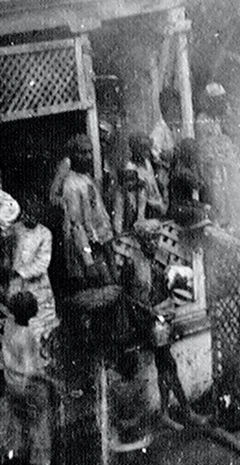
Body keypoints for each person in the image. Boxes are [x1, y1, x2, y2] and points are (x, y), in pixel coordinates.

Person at [121, 220, 210, 431]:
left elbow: (163, 289)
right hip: (144, 321)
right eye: (150, 239)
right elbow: (127, 297)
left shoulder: (156, 260)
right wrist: (148, 312)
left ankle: (169, 412)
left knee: (167, 365)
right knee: (168, 364)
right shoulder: (133, 263)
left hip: (159, 319)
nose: (154, 243)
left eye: (156, 238)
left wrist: (166, 306)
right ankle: (181, 411)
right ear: (141, 240)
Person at [2, 292, 56, 465]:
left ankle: (18, 462)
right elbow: (31, 371)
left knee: (19, 426)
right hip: (28, 388)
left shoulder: (9, 325)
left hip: (11, 385)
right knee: (40, 427)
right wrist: (49, 380)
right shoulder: (26, 336)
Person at [60, 134, 116, 293]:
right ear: (72, 155)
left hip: (101, 245)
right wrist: (89, 262)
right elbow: (76, 227)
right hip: (90, 251)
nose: (88, 157)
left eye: (89, 152)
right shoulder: (71, 186)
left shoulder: (86, 178)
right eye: (83, 153)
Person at [8, 200, 59, 344]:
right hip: (17, 285)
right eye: (29, 214)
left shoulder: (45, 234)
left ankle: (40, 352)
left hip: (38, 285)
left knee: (40, 323)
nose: (31, 217)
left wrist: (21, 272)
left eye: (35, 215)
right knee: (18, 322)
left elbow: (43, 262)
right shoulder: (14, 230)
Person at [196, 82, 236, 226]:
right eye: (219, 101)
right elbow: (205, 150)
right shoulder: (202, 120)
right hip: (211, 169)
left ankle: (227, 222)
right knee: (216, 198)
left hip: (221, 167)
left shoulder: (217, 119)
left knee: (227, 197)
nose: (223, 104)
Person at [119, 132, 167, 232]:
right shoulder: (131, 168)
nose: (146, 152)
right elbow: (133, 199)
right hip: (146, 209)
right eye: (143, 149)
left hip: (157, 202)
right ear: (135, 149)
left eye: (147, 149)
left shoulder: (146, 162)